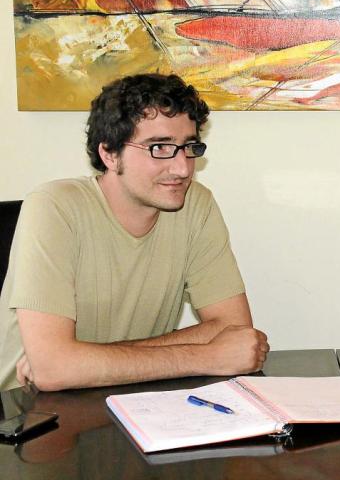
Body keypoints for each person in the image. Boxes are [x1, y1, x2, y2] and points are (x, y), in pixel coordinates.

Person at [0, 73, 269, 391]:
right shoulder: (53, 206)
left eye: (188, 147)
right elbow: (54, 371)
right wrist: (208, 356)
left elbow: (234, 330)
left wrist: (76, 361)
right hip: (27, 409)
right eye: (159, 147)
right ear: (109, 154)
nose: (182, 168)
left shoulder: (196, 204)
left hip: (134, 396)